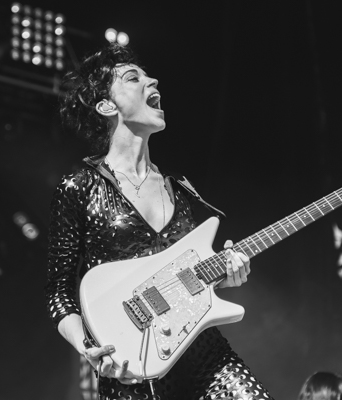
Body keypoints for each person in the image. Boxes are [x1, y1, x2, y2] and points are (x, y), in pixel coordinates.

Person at [45, 43, 273, 400]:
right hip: (131, 369)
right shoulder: (79, 187)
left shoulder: (180, 189)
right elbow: (58, 292)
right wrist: (87, 346)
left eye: (149, 76)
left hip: (202, 355)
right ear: (107, 106)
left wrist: (226, 277)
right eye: (133, 78)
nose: (152, 82)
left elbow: (184, 281)